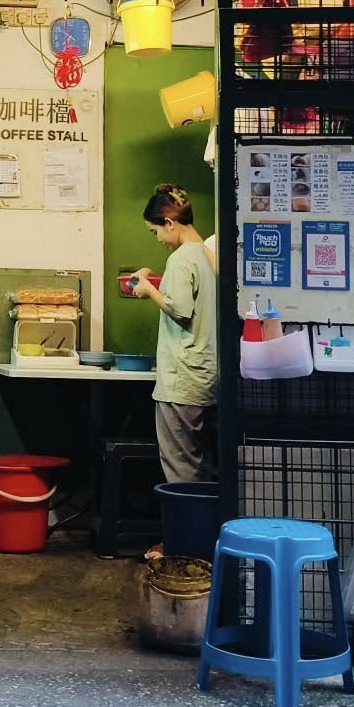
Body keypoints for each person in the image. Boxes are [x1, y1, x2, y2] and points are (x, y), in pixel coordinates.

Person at [129, 182, 217, 488]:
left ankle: (186, 536)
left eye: (155, 232)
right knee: (201, 463)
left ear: (169, 223)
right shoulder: (207, 253)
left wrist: (148, 289)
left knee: (181, 468)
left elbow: (179, 310)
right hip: (207, 375)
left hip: (182, 380)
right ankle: (200, 534)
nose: (158, 240)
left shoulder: (180, 259)